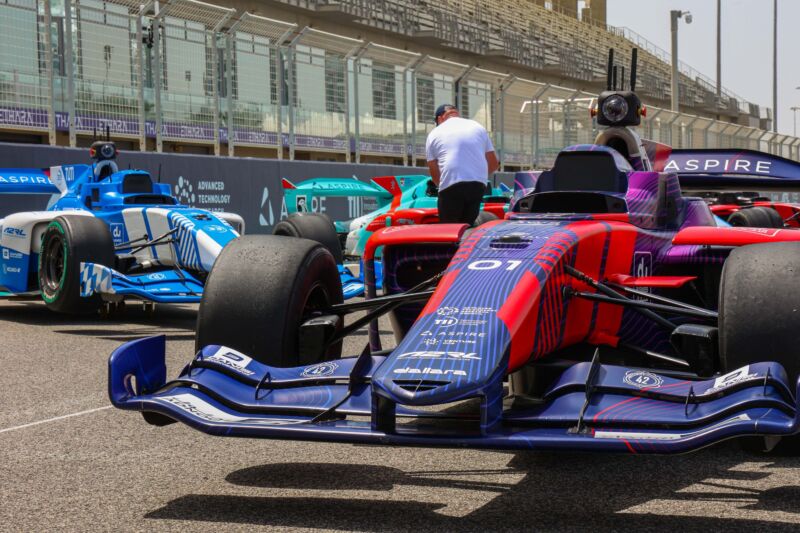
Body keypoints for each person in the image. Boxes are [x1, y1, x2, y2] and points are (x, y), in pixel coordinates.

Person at [425, 104, 499, 224]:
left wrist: (443, 186)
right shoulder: (477, 127)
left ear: (439, 119)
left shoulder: (434, 133)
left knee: (448, 231)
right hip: (477, 185)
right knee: (467, 228)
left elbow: (434, 174)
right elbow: (494, 164)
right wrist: (478, 176)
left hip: (451, 184)